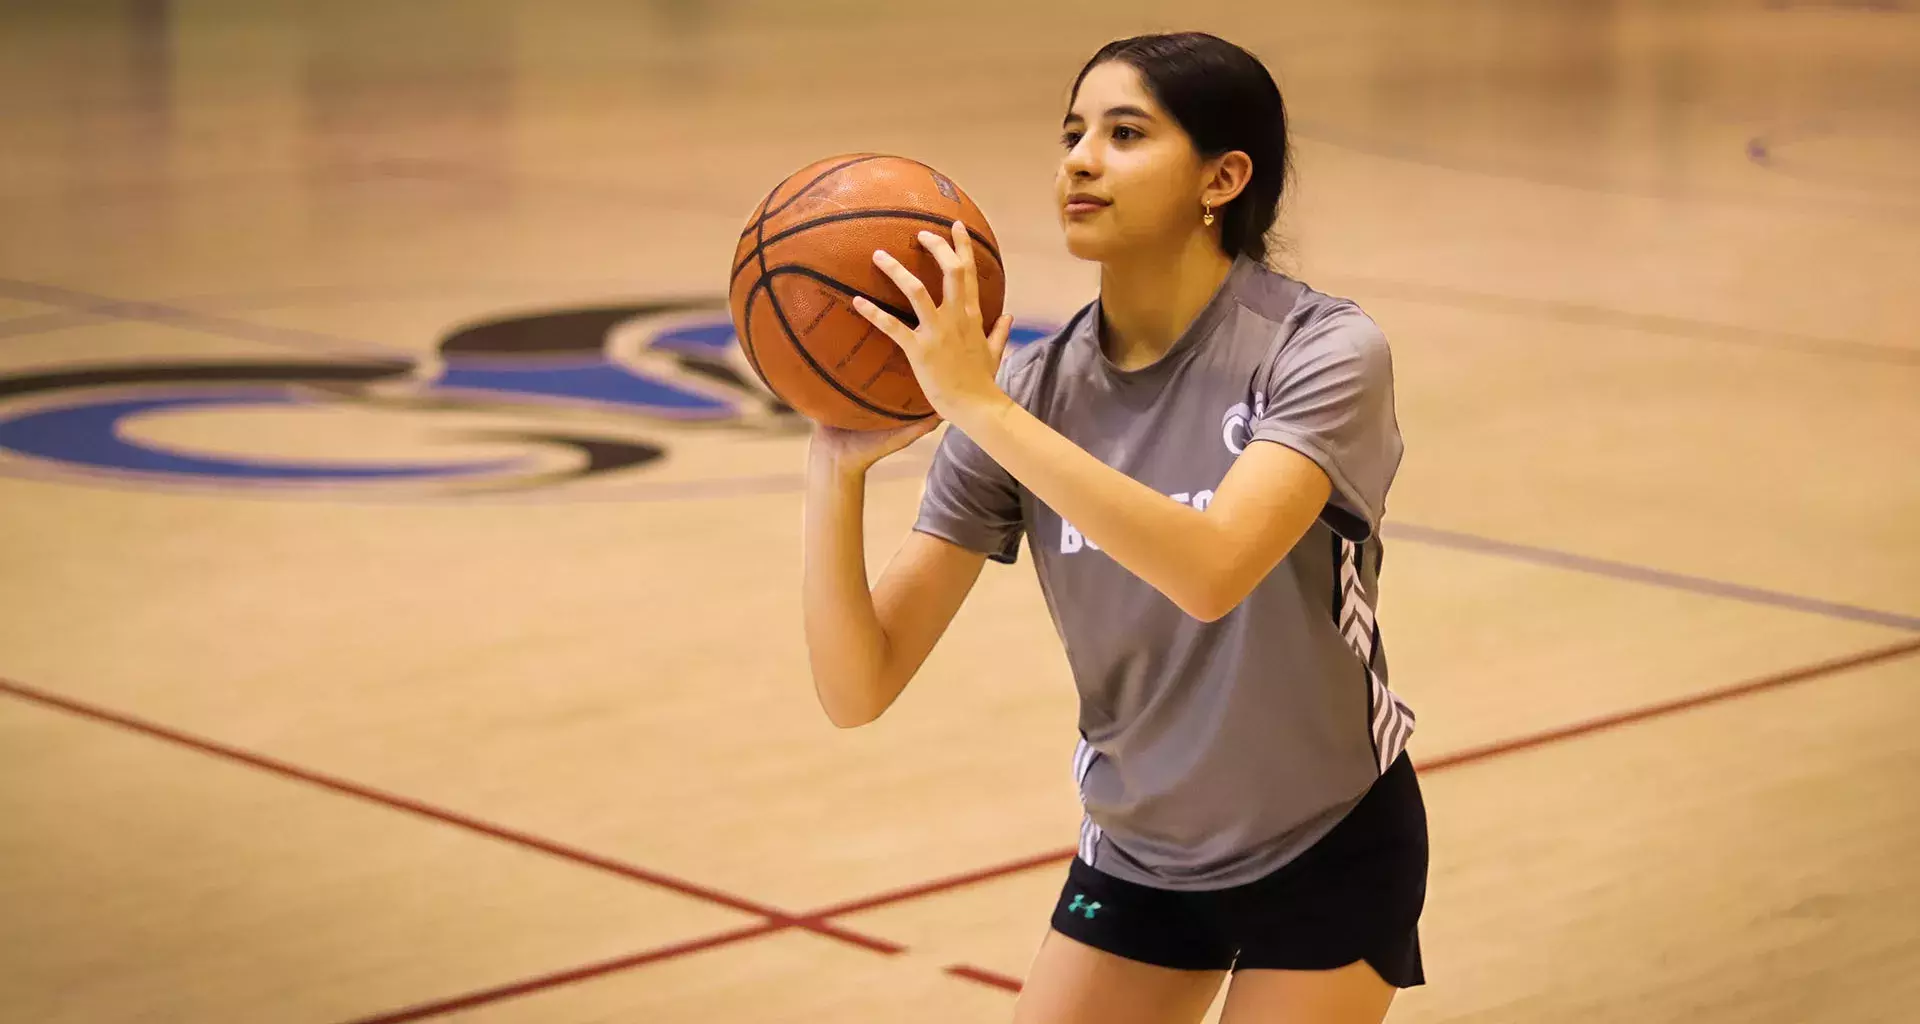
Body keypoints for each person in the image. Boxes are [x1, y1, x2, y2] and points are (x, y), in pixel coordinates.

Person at [802, 31, 1426, 1024]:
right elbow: (857, 684)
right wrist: (833, 476)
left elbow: (1215, 568)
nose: (1080, 160)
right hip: (1139, 850)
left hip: (1328, 837)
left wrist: (984, 409)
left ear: (1222, 177)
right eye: (1072, 133)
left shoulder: (1323, 350)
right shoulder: (1028, 393)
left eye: (1125, 133)